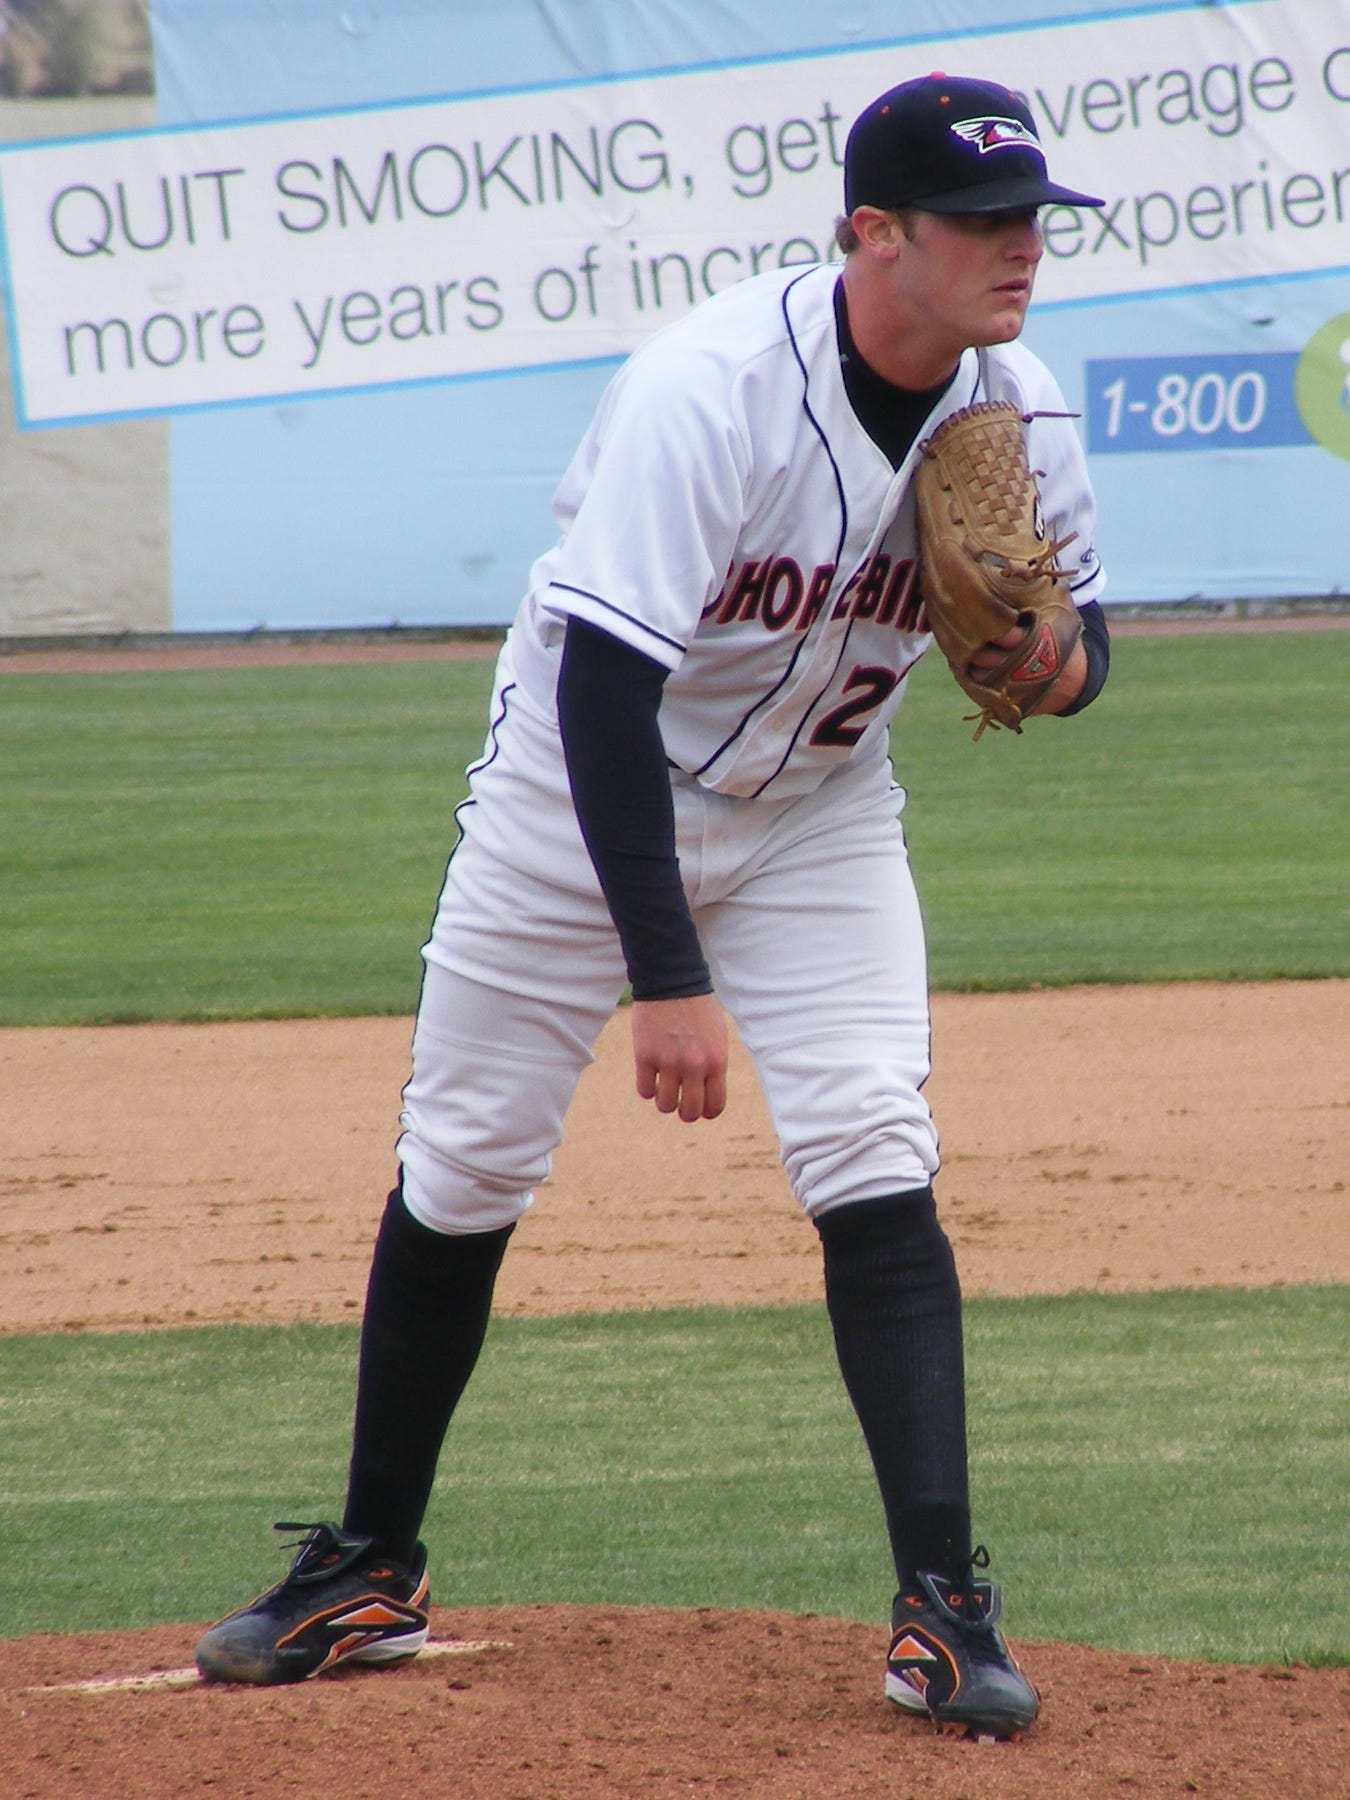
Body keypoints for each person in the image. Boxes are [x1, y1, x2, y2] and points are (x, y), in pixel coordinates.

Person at [196, 73, 1110, 1739]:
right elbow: (604, 698)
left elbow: (1081, 653)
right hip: (572, 804)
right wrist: (668, 979)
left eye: (1032, 220)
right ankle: (367, 1570)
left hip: (820, 821)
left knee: (869, 1146)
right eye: (982, 222)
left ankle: (941, 1610)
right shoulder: (710, 388)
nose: (1018, 252)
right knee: (466, 1160)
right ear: (870, 234)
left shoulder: (1020, 407)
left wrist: (1052, 666)